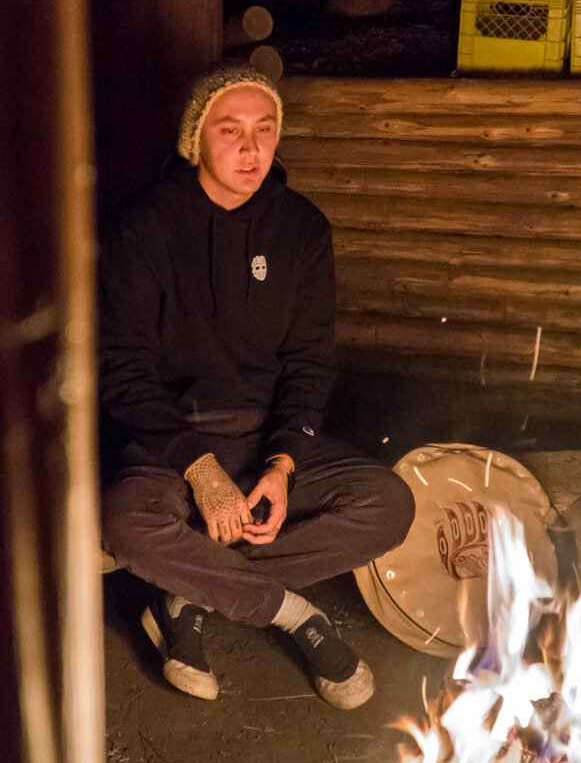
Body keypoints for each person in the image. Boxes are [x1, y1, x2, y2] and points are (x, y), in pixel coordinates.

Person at [98, 63, 415, 709]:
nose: (250, 148)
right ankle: (292, 613)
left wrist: (283, 463)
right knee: (124, 522)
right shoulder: (145, 224)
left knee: (388, 504)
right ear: (196, 141)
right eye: (230, 130)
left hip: (266, 430)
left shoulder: (300, 228)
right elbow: (123, 369)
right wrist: (200, 470)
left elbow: (309, 360)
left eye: (264, 130)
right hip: (170, 440)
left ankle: (186, 595)